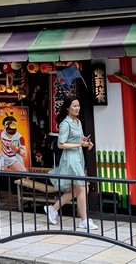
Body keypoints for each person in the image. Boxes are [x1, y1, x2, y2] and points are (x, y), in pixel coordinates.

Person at [44, 96, 97, 230]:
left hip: (78, 157)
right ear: (68, 108)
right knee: (83, 187)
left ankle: (53, 209)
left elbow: (80, 140)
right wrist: (78, 144)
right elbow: (61, 144)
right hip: (70, 159)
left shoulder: (78, 122)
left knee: (77, 189)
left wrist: (87, 143)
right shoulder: (65, 124)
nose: (77, 108)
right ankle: (84, 220)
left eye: (78, 106)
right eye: (74, 106)